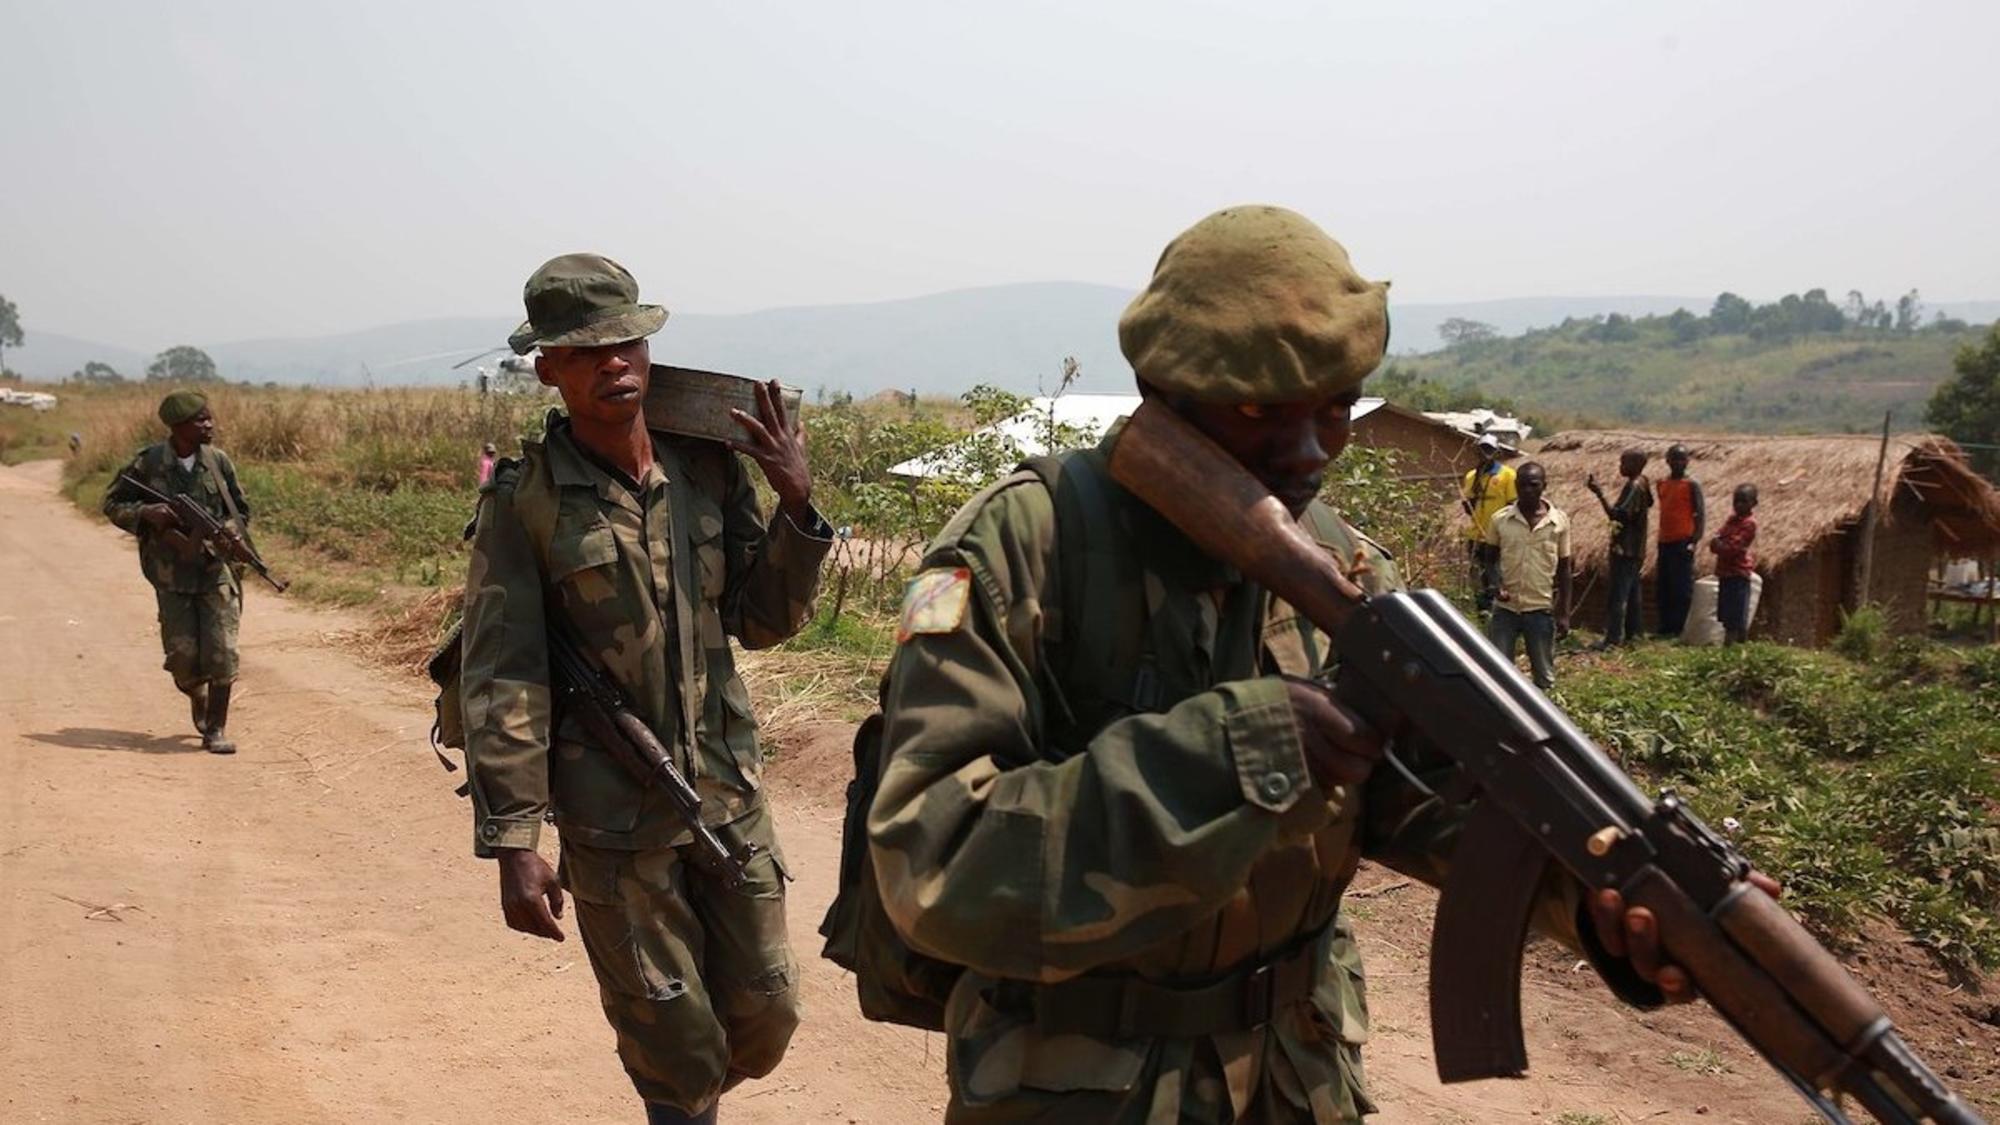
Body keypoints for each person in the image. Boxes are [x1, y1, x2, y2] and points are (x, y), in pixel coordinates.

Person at [867, 206, 1737, 1124]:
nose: (1310, 449)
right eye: (1256, 411)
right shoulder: (1024, 546)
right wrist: (1235, 753)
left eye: (1334, 406)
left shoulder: (1343, 568)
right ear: (1157, 386)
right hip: (1071, 1084)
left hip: (1297, 1077)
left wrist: (1602, 897)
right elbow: (934, 861)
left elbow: (1439, 799)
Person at [458, 253, 832, 1124]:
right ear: (547, 368)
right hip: (611, 815)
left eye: (625, 341)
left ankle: (689, 1085)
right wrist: (515, 838)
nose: (613, 362)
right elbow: (503, 671)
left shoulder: (705, 470)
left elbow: (764, 617)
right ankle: (680, 1092)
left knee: (768, 1014)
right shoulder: (525, 502)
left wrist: (797, 507)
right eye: (585, 352)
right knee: (675, 1047)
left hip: (726, 791)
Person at [101, 391, 253, 754]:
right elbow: (112, 503)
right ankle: (195, 694)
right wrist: (146, 513)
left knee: (223, 652)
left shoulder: (218, 462)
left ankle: (215, 729)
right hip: (171, 577)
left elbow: (241, 510)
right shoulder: (149, 463)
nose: (209, 425)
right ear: (179, 426)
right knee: (183, 661)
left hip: (215, 571)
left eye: (209, 418)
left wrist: (229, 531)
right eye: (200, 420)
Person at [1481, 460, 1571, 690]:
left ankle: (1545, 721)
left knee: (1544, 676)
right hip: (1506, 609)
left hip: (1540, 609)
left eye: (1533, 485)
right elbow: (1489, 559)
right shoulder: (1500, 520)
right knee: (1499, 674)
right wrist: (1495, 584)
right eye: (1522, 485)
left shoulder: (1559, 522)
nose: (1527, 490)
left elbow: (1564, 569)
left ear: (1544, 486)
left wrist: (1563, 612)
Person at [1586, 448, 1651, 648]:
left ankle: (1613, 638)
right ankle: (1634, 635)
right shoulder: (1644, 482)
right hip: (1635, 548)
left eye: (1624, 463)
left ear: (1635, 465)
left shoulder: (1634, 486)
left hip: (1626, 548)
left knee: (1618, 596)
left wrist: (1599, 494)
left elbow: (1617, 515)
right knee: (1632, 595)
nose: (1620, 466)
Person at [1653, 443, 1705, 638]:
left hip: (1683, 541)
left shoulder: (1691, 485)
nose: (1678, 463)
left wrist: (1695, 540)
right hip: (1664, 540)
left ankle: (1680, 629)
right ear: (1667, 460)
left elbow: (1700, 514)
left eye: (1682, 459)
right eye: (1674, 459)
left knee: (1681, 588)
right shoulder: (1662, 483)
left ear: (1687, 462)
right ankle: (1665, 627)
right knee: (1664, 586)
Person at [1459, 433, 1515, 611]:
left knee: (1496, 575)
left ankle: (1497, 610)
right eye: (1482, 449)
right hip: (1476, 535)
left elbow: (1512, 505)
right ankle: (1481, 611)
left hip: (1497, 535)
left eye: (1489, 449)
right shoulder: (1471, 476)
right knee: (1477, 576)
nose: (1485, 453)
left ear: (1497, 452)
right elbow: (1469, 507)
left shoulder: (1507, 475)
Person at [1710, 483, 1760, 645]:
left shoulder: (1749, 524)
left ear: (1753, 503)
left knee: (1736, 616)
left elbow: (1733, 548)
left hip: (1738, 573)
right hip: (1725, 573)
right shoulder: (1731, 520)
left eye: (1744, 501)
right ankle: (1733, 648)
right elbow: (1716, 541)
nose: (1739, 505)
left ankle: (1732, 650)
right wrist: (1719, 544)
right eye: (1736, 501)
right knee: (1727, 615)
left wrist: (1720, 545)